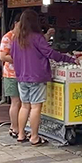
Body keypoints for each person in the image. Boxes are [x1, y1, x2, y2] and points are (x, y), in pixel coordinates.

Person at [10, 9, 76, 145]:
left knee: (24, 106)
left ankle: (21, 134)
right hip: (36, 77)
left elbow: (12, 56)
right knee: (35, 107)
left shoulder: (16, 38)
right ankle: (34, 136)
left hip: (21, 77)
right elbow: (50, 53)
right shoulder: (37, 37)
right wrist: (68, 59)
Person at [0, 12, 23, 139]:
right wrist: (21, 59)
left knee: (24, 102)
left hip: (24, 74)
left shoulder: (24, 37)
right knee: (16, 101)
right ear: (16, 23)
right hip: (11, 74)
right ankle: (14, 127)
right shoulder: (8, 37)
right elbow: (3, 56)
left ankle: (22, 127)